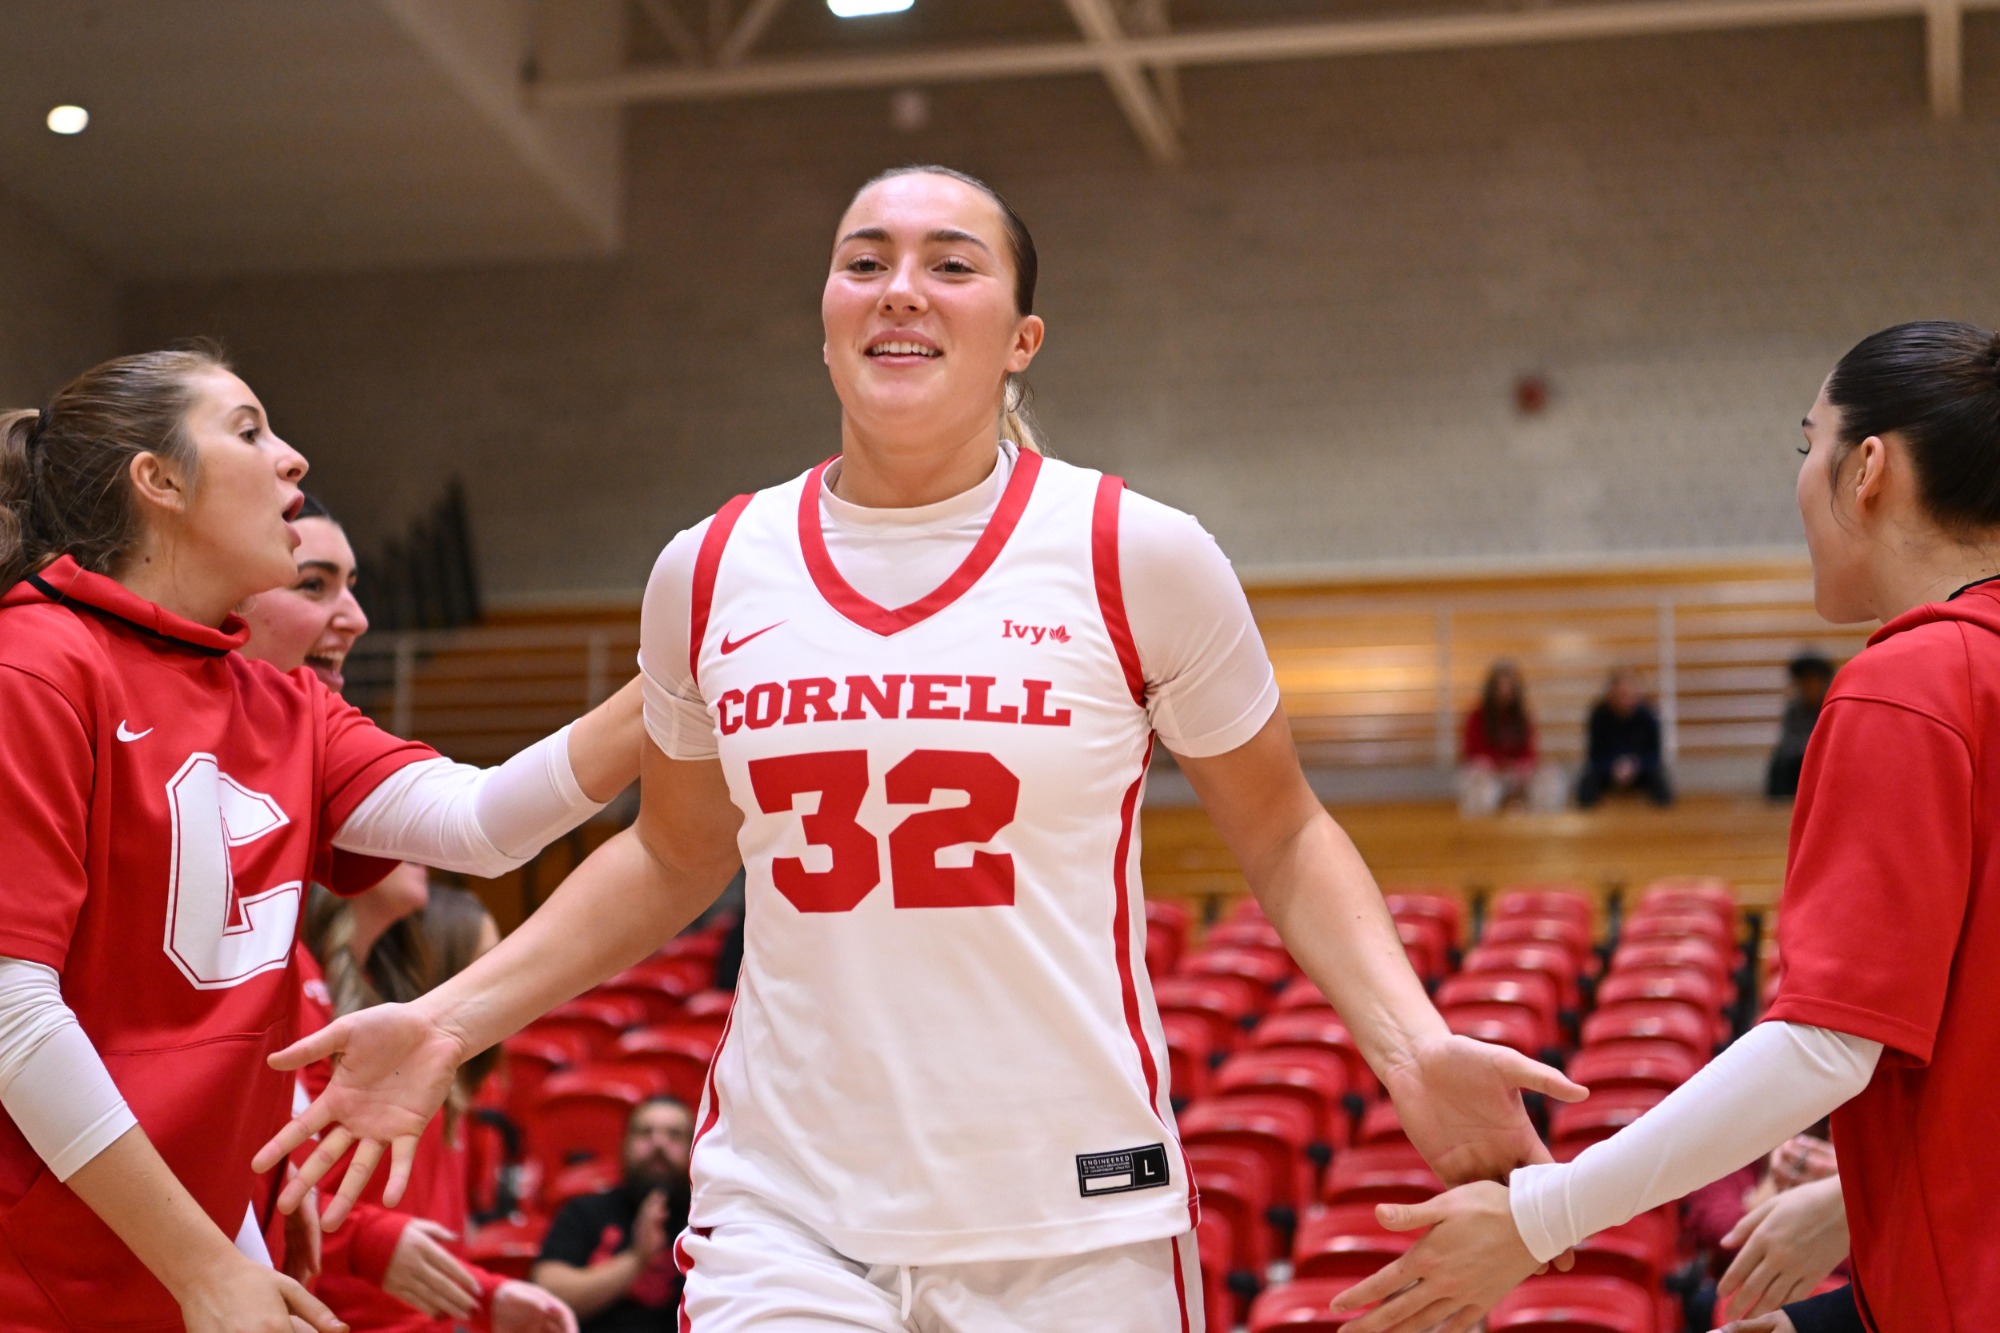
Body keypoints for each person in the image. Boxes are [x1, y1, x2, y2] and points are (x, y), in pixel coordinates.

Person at [265, 165, 1583, 1333]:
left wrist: (1410, 1045)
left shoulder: (1139, 552)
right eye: (865, 262)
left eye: (949, 264)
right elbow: (669, 857)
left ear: (1021, 339)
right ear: (827, 325)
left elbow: (1285, 831)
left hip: (1075, 1215)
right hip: (787, 1208)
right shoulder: (710, 569)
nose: (901, 289)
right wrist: (448, 1018)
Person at [1326, 320, 2000, 1333]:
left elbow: (1825, 1046)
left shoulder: (1909, 685)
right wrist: (1857, 1208)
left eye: (1803, 443)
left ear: (1866, 469)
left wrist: (1537, 1214)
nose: (1799, 474)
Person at [0, 347, 641, 1332]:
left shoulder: (282, 699)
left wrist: (695, 668)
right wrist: (204, 1266)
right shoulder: (36, 663)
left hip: (182, 1271)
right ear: (158, 480)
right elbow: (10, 1014)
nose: (293, 461)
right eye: (250, 429)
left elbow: (482, 823)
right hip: (48, 1280)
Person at [237, 493, 579, 1332]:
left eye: (352, 586)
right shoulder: (61, 687)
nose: (353, 618)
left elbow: (475, 820)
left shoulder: (302, 958)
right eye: (314, 584)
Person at [532, 1096, 693, 1331]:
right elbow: (547, 1296)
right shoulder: (584, 1212)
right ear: (624, 1145)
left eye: (675, 1135)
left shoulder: (708, 1219)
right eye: (645, 1132)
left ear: (694, 1148)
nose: (658, 1143)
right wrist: (636, 1258)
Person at [1457, 661, 1567, 816]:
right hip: (1489, 774)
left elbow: (1530, 752)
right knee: (1479, 783)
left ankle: (1540, 830)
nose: (1504, 691)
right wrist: (1499, 764)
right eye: (1500, 686)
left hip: (1519, 774)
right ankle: (1482, 833)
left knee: (1551, 776)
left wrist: (1520, 767)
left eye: (1509, 686)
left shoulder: (1523, 717)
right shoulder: (1477, 717)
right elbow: (1472, 751)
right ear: (1491, 689)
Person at [1575, 668, 1672, 807]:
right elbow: (1594, 755)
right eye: (1621, 694)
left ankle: (1662, 826)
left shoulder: (1648, 715)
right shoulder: (1599, 715)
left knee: (1662, 786)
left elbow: (1654, 754)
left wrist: (1635, 765)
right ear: (1612, 693)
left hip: (1640, 770)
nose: (1624, 699)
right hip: (1608, 770)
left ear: (1637, 693)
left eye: (1628, 694)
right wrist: (1613, 767)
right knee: (1586, 787)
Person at [1766, 654, 1835, 799]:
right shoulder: (1793, 711)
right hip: (1796, 775)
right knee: (1781, 762)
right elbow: (1788, 745)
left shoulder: (1832, 709)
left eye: (1815, 680)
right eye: (1806, 680)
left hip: (1825, 772)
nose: (1811, 685)